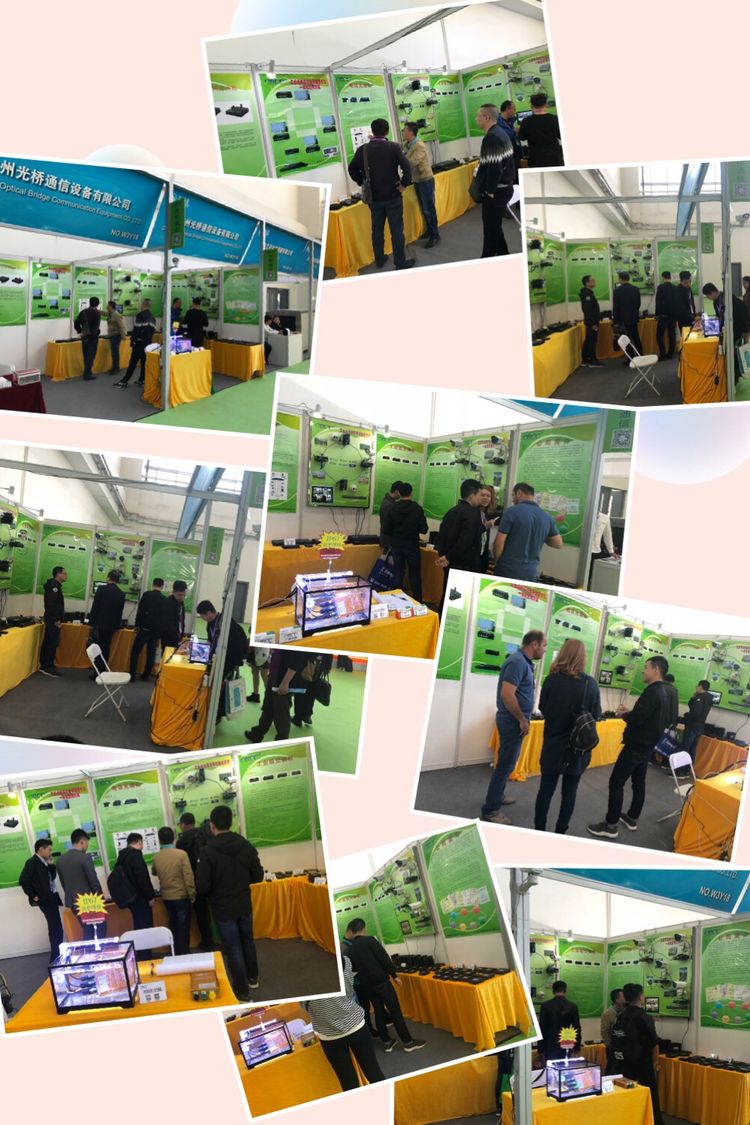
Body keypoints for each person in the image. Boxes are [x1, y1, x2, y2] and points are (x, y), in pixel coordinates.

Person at [588, 656, 670, 839]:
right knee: (638, 782)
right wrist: (630, 712)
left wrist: (624, 715)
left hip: (636, 746)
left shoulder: (652, 692)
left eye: (646, 667)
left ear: (656, 670)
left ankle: (610, 826)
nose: (643, 670)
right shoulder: (663, 692)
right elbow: (646, 715)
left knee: (616, 783)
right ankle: (632, 818)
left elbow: (638, 719)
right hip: (647, 746)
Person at [534, 639, 602, 834]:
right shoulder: (590, 684)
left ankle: (539, 830)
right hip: (578, 748)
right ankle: (560, 832)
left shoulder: (551, 679)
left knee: (546, 789)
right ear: (583, 657)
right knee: (570, 793)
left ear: (563, 653)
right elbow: (596, 715)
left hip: (553, 743)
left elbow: (543, 708)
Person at [196, 806, 264, 1001]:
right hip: (243, 902)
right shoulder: (245, 845)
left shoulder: (207, 851)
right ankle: (253, 978)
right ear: (231, 822)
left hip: (222, 907)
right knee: (248, 941)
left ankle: (242, 992)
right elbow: (258, 875)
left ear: (212, 825)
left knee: (233, 948)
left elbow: (203, 886)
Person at [481, 631, 548, 824]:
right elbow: (507, 694)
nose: (545, 650)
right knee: (505, 766)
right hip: (512, 721)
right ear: (534, 644)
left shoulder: (523, 662)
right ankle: (490, 811)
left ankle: (497, 796)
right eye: (544, 645)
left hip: (514, 721)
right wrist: (521, 719)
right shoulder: (518, 662)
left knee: (506, 764)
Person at [302, 955, 386, 1089]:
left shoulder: (301, 973)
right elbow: (349, 991)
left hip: (330, 1036)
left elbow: (305, 1005)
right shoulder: (343, 960)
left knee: (348, 1083)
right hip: (356, 1026)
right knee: (374, 1073)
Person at [344, 919, 425, 1053]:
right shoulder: (370, 940)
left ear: (352, 931)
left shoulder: (350, 949)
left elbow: (353, 970)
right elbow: (383, 958)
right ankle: (408, 1042)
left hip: (367, 986)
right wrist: (394, 975)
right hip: (382, 983)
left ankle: (386, 1042)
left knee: (379, 1012)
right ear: (363, 929)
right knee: (395, 1011)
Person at [347, 118, 414, 271]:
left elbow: (352, 169)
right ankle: (400, 262)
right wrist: (403, 184)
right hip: (393, 195)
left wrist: (361, 181)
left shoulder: (363, 149)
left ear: (372, 131)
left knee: (377, 231)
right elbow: (407, 168)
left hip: (374, 198)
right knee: (397, 231)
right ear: (387, 131)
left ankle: (379, 259)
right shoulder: (393, 147)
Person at [612, 983, 664, 1125]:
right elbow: (654, 1043)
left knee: (626, 1093)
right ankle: (653, 1121)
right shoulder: (645, 1017)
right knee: (651, 1094)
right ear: (641, 997)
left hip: (624, 1062)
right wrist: (655, 1063)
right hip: (643, 1062)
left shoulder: (620, 1016)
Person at [493, 483, 563, 580]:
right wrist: (539, 534)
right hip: (530, 573)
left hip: (507, 570)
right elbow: (558, 544)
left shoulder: (511, 512)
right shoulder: (546, 516)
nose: (512, 500)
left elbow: (498, 543)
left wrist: (496, 562)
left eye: (513, 495)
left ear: (519, 493)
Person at [473, 104, 515, 257]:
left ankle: (486, 260)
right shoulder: (500, 133)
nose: (476, 119)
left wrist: (489, 191)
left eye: (478, 116)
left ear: (487, 117)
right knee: (495, 226)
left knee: (490, 230)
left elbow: (495, 168)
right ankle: (504, 253)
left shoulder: (491, 137)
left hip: (496, 192)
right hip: (503, 188)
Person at [196, 600, 249, 721]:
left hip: (227, 661)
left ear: (208, 613)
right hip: (217, 660)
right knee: (213, 685)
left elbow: (235, 645)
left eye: (202, 616)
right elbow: (211, 642)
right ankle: (211, 709)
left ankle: (216, 713)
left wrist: (231, 664)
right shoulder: (210, 624)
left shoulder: (226, 623)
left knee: (220, 687)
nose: (202, 619)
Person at [245, 648, 311, 743]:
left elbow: (296, 661)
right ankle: (258, 733)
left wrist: (285, 682)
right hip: (275, 676)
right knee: (268, 708)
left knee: (281, 714)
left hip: (283, 680)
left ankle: (282, 742)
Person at [380, 481, 428, 603]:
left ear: (399, 493)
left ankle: (395, 601)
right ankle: (418, 602)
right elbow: (424, 529)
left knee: (398, 573)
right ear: (411, 493)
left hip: (397, 546)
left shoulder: (392, 508)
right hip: (412, 546)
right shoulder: (417, 509)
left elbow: (386, 529)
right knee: (414, 575)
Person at [151, 826, 195, 956]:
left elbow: (154, 872)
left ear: (159, 840)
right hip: (181, 896)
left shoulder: (157, 857)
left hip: (167, 897)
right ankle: (184, 952)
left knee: (173, 925)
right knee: (184, 927)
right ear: (174, 838)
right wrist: (192, 894)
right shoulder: (181, 854)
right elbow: (188, 877)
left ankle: (175, 951)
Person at [19, 840, 63, 961]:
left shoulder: (43, 862)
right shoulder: (32, 862)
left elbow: (51, 878)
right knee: (55, 928)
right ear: (41, 849)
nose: (50, 852)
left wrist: (51, 865)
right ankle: (55, 958)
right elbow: (23, 880)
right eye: (49, 849)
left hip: (51, 897)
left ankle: (57, 955)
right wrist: (34, 895)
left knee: (56, 927)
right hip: (46, 900)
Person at [176, 813, 214, 951]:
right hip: (210, 877)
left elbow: (183, 866)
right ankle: (223, 940)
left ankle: (207, 941)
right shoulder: (206, 833)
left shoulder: (181, 841)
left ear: (183, 824)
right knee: (218, 910)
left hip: (195, 880)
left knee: (201, 913)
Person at [56, 829, 102, 941]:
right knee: (98, 928)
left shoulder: (60, 860)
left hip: (72, 901)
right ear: (82, 842)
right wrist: (100, 897)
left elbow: (63, 883)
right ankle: (94, 951)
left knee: (87, 928)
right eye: (87, 843)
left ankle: (89, 950)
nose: (87, 846)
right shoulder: (84, 857)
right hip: (88, 900)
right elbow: (93, 880)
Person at [112, 833, 154, 954]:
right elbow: (143, 878)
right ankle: (145, 956)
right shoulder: (135, 856)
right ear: (139, 842)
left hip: (131, 899)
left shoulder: (122, 857)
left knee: (138, 927)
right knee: (146, 928)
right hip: (141, 899)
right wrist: (150, 897)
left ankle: (140, 954)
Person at [435, 479, 484, 579]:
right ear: (472, 495)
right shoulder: (473, 513)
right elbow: (465, 540)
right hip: (464, 565)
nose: (480, 499)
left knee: (448, 586)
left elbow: (441, 535)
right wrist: (449, 557)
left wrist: (445, 556)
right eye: (479, 495)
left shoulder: (451, 511)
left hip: (448, 562)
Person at [701, 282, 750, 381]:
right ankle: (731, 375)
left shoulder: (729, 299)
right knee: (729, 354)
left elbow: (741, 316)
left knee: (735, 354)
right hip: (726, 332)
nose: (709, 298)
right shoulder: (716, 302)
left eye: (708, 296)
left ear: (712, 293)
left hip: (736, 330)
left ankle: (735, 377)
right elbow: (719, 317)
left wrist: (745, 332)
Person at [402, 121, 439, 248]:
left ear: (411, 132)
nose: (403, 132)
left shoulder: (419, 145)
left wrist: (400, 158)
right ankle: (429, 230)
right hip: (417, 180)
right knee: (424, 208)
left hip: (425, 180)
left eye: (404, 130)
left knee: (429, 208)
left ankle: (435, 235)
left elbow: (413, 162)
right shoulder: (407, 144)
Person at [88, 570, 126, 671]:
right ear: (117, 580)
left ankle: (97, 670)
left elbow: (95, 607)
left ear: (108, 578)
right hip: (111, 625)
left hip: (99, 624)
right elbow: (120, 612)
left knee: (97, 647)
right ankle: (102, 669)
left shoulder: (101, 589)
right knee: (106, 647)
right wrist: (117, 626)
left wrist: (91, 622)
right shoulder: (121, 593)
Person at [130, 577, 166, 682]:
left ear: (152, 584)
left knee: (135, 652)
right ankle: (145, 675)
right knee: (151, 654)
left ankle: (132, 675)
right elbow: (163, 617)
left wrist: (137, 625)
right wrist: (159, 633)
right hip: (155, 631)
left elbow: (140, 611)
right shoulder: (164, 599)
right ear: (162, 586)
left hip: (144, 628)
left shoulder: (146, 595)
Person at [115, 300, 156, 388]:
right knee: (144, 363)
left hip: (139, 343)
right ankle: (142, 380)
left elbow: (137, 330)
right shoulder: (152, 317)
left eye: (141, 304)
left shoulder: (140, 315)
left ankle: (124, 381)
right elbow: (152, 331)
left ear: (144, 305)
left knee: (132, 362)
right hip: (148, 343)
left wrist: (133, 340)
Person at [538, 980, 581, 1061]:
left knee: (551, 1067)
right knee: (565, 1066)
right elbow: (576, 1027)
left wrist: (540, 1048)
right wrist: (577, 1046)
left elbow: (541, 1027)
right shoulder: (572, 1006)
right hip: (567, 1041)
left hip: (550, 1043)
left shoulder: (545, 1006)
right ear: (565, 990)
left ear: (553, 991)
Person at [517, 93, 563, 168]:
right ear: (545, 104)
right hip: (554, 157)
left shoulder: (526, 121)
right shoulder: (555, 119)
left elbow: (521, 137)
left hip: (536, 159)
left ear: (531, 105)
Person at [292, 653, 332, 728]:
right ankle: (307, 715)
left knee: (300, 691)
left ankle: (298, 717)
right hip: (319, 663)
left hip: (305, 663)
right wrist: (328, 666)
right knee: (312, 690)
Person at [39, 565, 66, 677]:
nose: (66, 576)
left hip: (52, 620)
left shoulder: (56, 586)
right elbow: (51, 604)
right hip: (53, 621)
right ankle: (47, 667)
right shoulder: (54, 587)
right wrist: (56, 619)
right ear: (58, 574)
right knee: (51, 644)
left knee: (50, 643)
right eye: (64, 573)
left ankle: (47, 665)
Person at [679, 679, 713, 761]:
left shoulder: (700, 698)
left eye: (697, 686)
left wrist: (687, 715)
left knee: (685, 747)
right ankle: (689, 767)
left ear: (701, 687)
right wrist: (694, 697)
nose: (696, 688)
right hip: (699, 727)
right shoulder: (708, 698)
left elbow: (695, 713)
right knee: (692, 748)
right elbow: (692, 706)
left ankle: (680, 767)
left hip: (692, 726)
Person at [613, 271, 642, 357]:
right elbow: (638, 304)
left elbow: (616, 307)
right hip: (633, 318)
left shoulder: (617, 291)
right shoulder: (635, 289)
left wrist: (615, 321)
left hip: (623, 320)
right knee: (636, 338)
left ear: (620, 279)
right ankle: (640, 354)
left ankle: (631, 358)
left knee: (627, 339)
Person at [74, 296, 101, 381]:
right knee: (91, 355)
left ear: (89, 302)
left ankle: (87, 371)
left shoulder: (83, 312)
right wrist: (94, 335)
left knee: (85, 355)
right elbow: (95, 327)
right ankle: (87, 374)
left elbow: (76, 322)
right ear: (97, 304)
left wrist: (80, 331)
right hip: (92, 338)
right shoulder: (97, 313)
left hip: (84, 336)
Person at [580, 276, 604, 368]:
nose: (594, 281)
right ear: (587, 283)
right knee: (592, 341)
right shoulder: (587, 294)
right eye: (592, 280)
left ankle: (585, 359)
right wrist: (593, 323)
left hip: (591, 321)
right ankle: (592, 360)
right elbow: (588, 310)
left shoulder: (589, 293)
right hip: (591, 322)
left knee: (589, 340)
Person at [601, 988, 626, 1074]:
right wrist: (610, 1046)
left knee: (621, 1069)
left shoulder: (625, 1012)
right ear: (617, 999)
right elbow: (604, 1031)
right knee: (612, 1068)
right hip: (612, 1047)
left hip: (623, 1047)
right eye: (623, 996)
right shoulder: (607, 1014)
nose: (625, 998)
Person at [478, 485, 501, 574]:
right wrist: (486, 526)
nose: (485, 498)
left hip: (483, 555)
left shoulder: (486, 514)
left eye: (488, 496)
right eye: (483, 495)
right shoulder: (472, 513)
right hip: (472, 556)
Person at [655, 271, 678, 360]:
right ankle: (670, 354)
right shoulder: (675, 288)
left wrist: (657, 314)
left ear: (663, 278)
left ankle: (663, 354)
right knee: (672, 335)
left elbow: (658, 302)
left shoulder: (660, 287)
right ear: (670, 277)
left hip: (663, 316)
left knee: (659, 335)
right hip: (673, 316)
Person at [498, 100, 522, 178]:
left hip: (516, 154)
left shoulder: (512, 121)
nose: (515, 111)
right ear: (507, 109)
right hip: (507, 156)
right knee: (512, 178)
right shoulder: (498, 122)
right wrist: (514, 131)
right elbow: (504, 135)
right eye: (514, 109)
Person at [161, 579, 187, 650]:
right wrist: (177, 641)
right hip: (169, 638)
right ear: (173, 592)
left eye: (184, 595)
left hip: (178, 637)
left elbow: (181, 620)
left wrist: (181, 636)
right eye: (179, 595)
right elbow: (168, 625)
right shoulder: (168, 604)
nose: (182, 597)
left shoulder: (180, 603)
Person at [379, 481, 402, 551]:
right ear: (396, 491)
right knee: (387, 557)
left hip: (387, 539)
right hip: (388, 540)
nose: (401, 495)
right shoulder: (389, 504)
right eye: (401, 492)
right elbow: (387, 524)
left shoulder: (389, 502)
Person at [105, 300, 127, 375]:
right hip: (112, 335)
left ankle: (116, 368)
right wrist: (96, 310)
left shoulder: (116, 315)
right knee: (113, 352)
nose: (106, 307)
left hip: (116, 335)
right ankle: (114, 367)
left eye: (108, 305)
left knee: (115, 352)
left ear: (111, 307)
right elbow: (104, 313)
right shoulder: (110, 314)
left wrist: (123, 336)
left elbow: (121, 326)